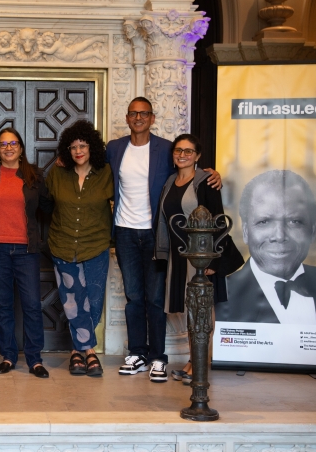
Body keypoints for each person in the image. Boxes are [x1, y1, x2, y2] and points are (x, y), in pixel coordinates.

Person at [106, 97, 221, 382]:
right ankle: (137, 353)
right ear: (127, 117)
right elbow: (91, 166)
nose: (138, 118)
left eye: (144, 113)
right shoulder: (115, 148)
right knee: (133, 297)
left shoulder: (166, 148)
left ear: (152, 118)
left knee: (156, 298)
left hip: (157, 234)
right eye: (133, 113)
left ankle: (158, 356)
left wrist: (211, 173)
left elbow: (187, 170)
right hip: (124, 232)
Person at [154, 134, 243, 384]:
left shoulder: (206, 182)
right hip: (179, 256)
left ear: (198, 156)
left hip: (202, 258)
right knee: (191, 311)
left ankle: (201, 365)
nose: (182, 155)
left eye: (188, 151)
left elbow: (217, 220)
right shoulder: (171, 181)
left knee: (203, 310)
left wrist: (213, 262)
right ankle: (194, 361)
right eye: (178, 150)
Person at [215, 170, 316, 326]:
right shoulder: (221, 296)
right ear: (246, 231)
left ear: (313, 231)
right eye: (264, 222)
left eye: (294, 221)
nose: (279, 235)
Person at [0, 128, 53, 378]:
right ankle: (8, 356)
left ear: (21, 148)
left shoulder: (35, 175)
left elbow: (48, 207)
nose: (8, 147)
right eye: (3, 144)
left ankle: (35, 359)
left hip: (26, 250)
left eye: (13, 143)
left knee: (32, 305)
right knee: (4, 305)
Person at [47, 120, 112, 377]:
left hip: (96, 244)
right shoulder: (57, 174)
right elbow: (43, 202)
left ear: (91, 147)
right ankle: (90, 353)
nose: (78, 151)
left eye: (83, 145)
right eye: (72, 147)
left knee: (94, 302)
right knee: (73, 302)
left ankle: (76, 350)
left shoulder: (107, 172)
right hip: (63, 244)